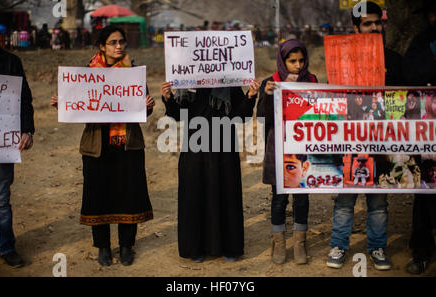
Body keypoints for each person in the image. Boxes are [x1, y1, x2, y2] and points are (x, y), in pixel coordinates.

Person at [51, 26, 154, 267]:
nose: (119, 46)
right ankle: (104, 247)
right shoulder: (87, 74)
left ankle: (127, 245)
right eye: (113, 42)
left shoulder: (133, 73)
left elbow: (143, 110)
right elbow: (78, 108)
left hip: (128, 144)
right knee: (98, 194)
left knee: (129, 193)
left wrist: (147, 104)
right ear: (102, 46)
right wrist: (63, 105)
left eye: (121, 42)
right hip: (97, 145)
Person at [160, 78, 260, 263]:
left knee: (226, 195)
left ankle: (229, 247)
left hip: (225, 152)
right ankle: (196, 248)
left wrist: (250, 96)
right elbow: (178, 115)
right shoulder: (186, 82)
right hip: (195, 152)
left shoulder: (230, 83)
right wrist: (168, 98)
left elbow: (241, 116)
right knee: (195, 196)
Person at [327, 1, 394, 271]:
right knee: (345, 201)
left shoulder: (392, 59)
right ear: (355, 28)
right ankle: (339, 245)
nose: (375, 27)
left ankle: (377, 246)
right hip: (349, 141)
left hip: (382, 140)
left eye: (378, 22)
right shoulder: (339, 61)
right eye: (368, 23)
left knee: (378, 201)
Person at [257, 39, 317, 265]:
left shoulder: (312, 81)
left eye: (301, 60)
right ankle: (279, 242)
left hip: (303, 149)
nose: (298, 65)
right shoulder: (271, 82)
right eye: (292, 61)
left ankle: (300, 242)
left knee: (302, 197)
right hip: (279, 150)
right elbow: (263, 117)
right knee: (279, 198)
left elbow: (319, 111)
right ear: (283, 61)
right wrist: (269, 94)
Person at [0, 10, 35, 268]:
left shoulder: (9, 62)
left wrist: (28, 131)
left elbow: (24, 99)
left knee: (1, 200)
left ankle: (6, 246)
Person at [402, 0, 436, 275]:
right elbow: (408, 82)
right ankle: (422, 252)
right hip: (427, 136)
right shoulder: (420, 44)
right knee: (425, 192)